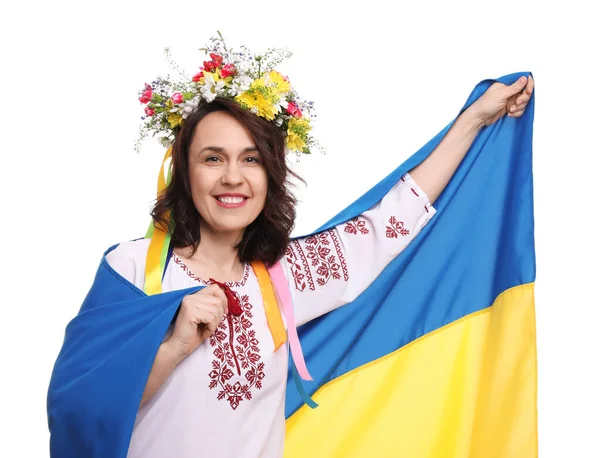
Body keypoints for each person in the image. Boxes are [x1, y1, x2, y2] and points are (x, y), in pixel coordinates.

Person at [47, 34, 534, 458]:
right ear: (184, 170)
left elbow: (391, 223)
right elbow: (78, 407)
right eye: (212, 158)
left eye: (251, 159)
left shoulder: (290, 276)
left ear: (270, 175)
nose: (232, 177)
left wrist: (473, 121)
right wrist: (173, 347)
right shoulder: (132, 269)